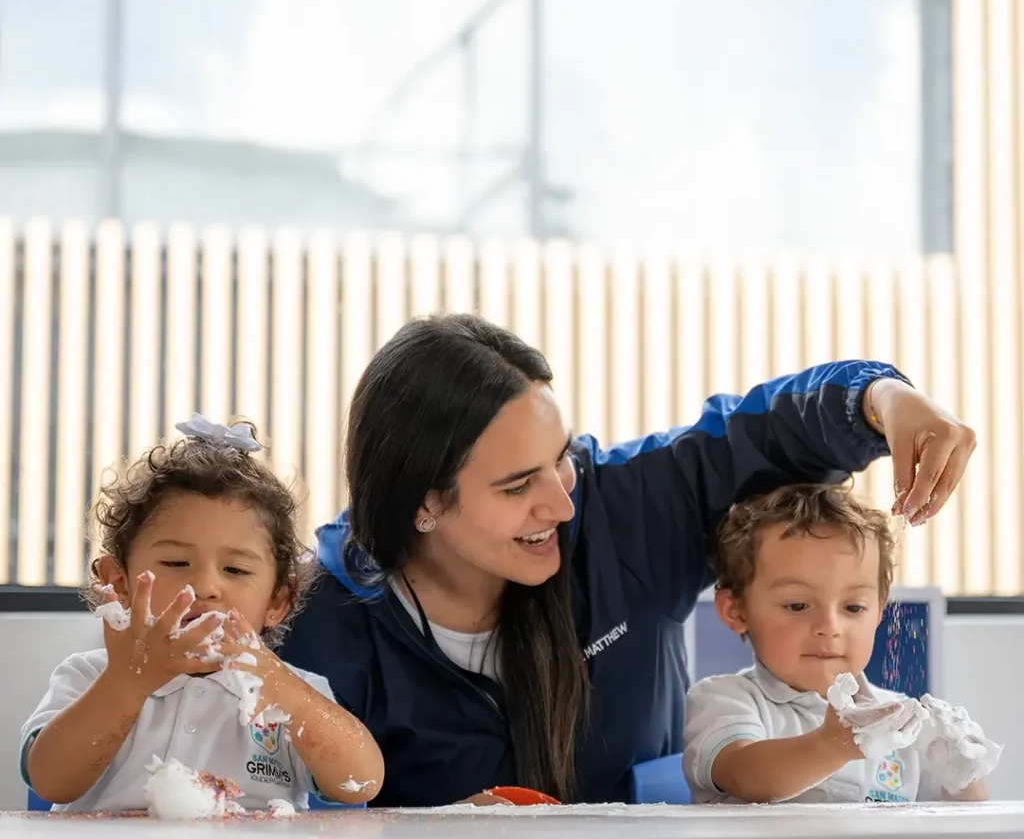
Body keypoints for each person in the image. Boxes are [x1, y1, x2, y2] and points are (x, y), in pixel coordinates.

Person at [278, 312, 976, 806]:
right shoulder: (323, 622)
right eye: (519, 485)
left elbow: (771, 430)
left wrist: (884, 398)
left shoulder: (624, 516)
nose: (560, 503)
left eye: (560, 462)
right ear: (422, 505)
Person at [21, 415, 384, 813]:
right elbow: (51, 781)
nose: (207, 587)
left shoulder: (290, 694)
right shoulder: (90, 676)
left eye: (235, 570)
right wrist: (127, 683)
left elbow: (362, 782)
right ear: (119, 583)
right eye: (176, 563)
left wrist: (282, 688)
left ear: (278, 600)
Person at [683, 482, 1000, 804]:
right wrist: (832, 745)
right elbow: (747, 776)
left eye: (853, 608)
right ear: (736, 611)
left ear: (879, 611)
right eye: (797, 606)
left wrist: (963, 777)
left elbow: (962, 824)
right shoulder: (724, 700)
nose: (829, 628)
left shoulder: (898, 719)